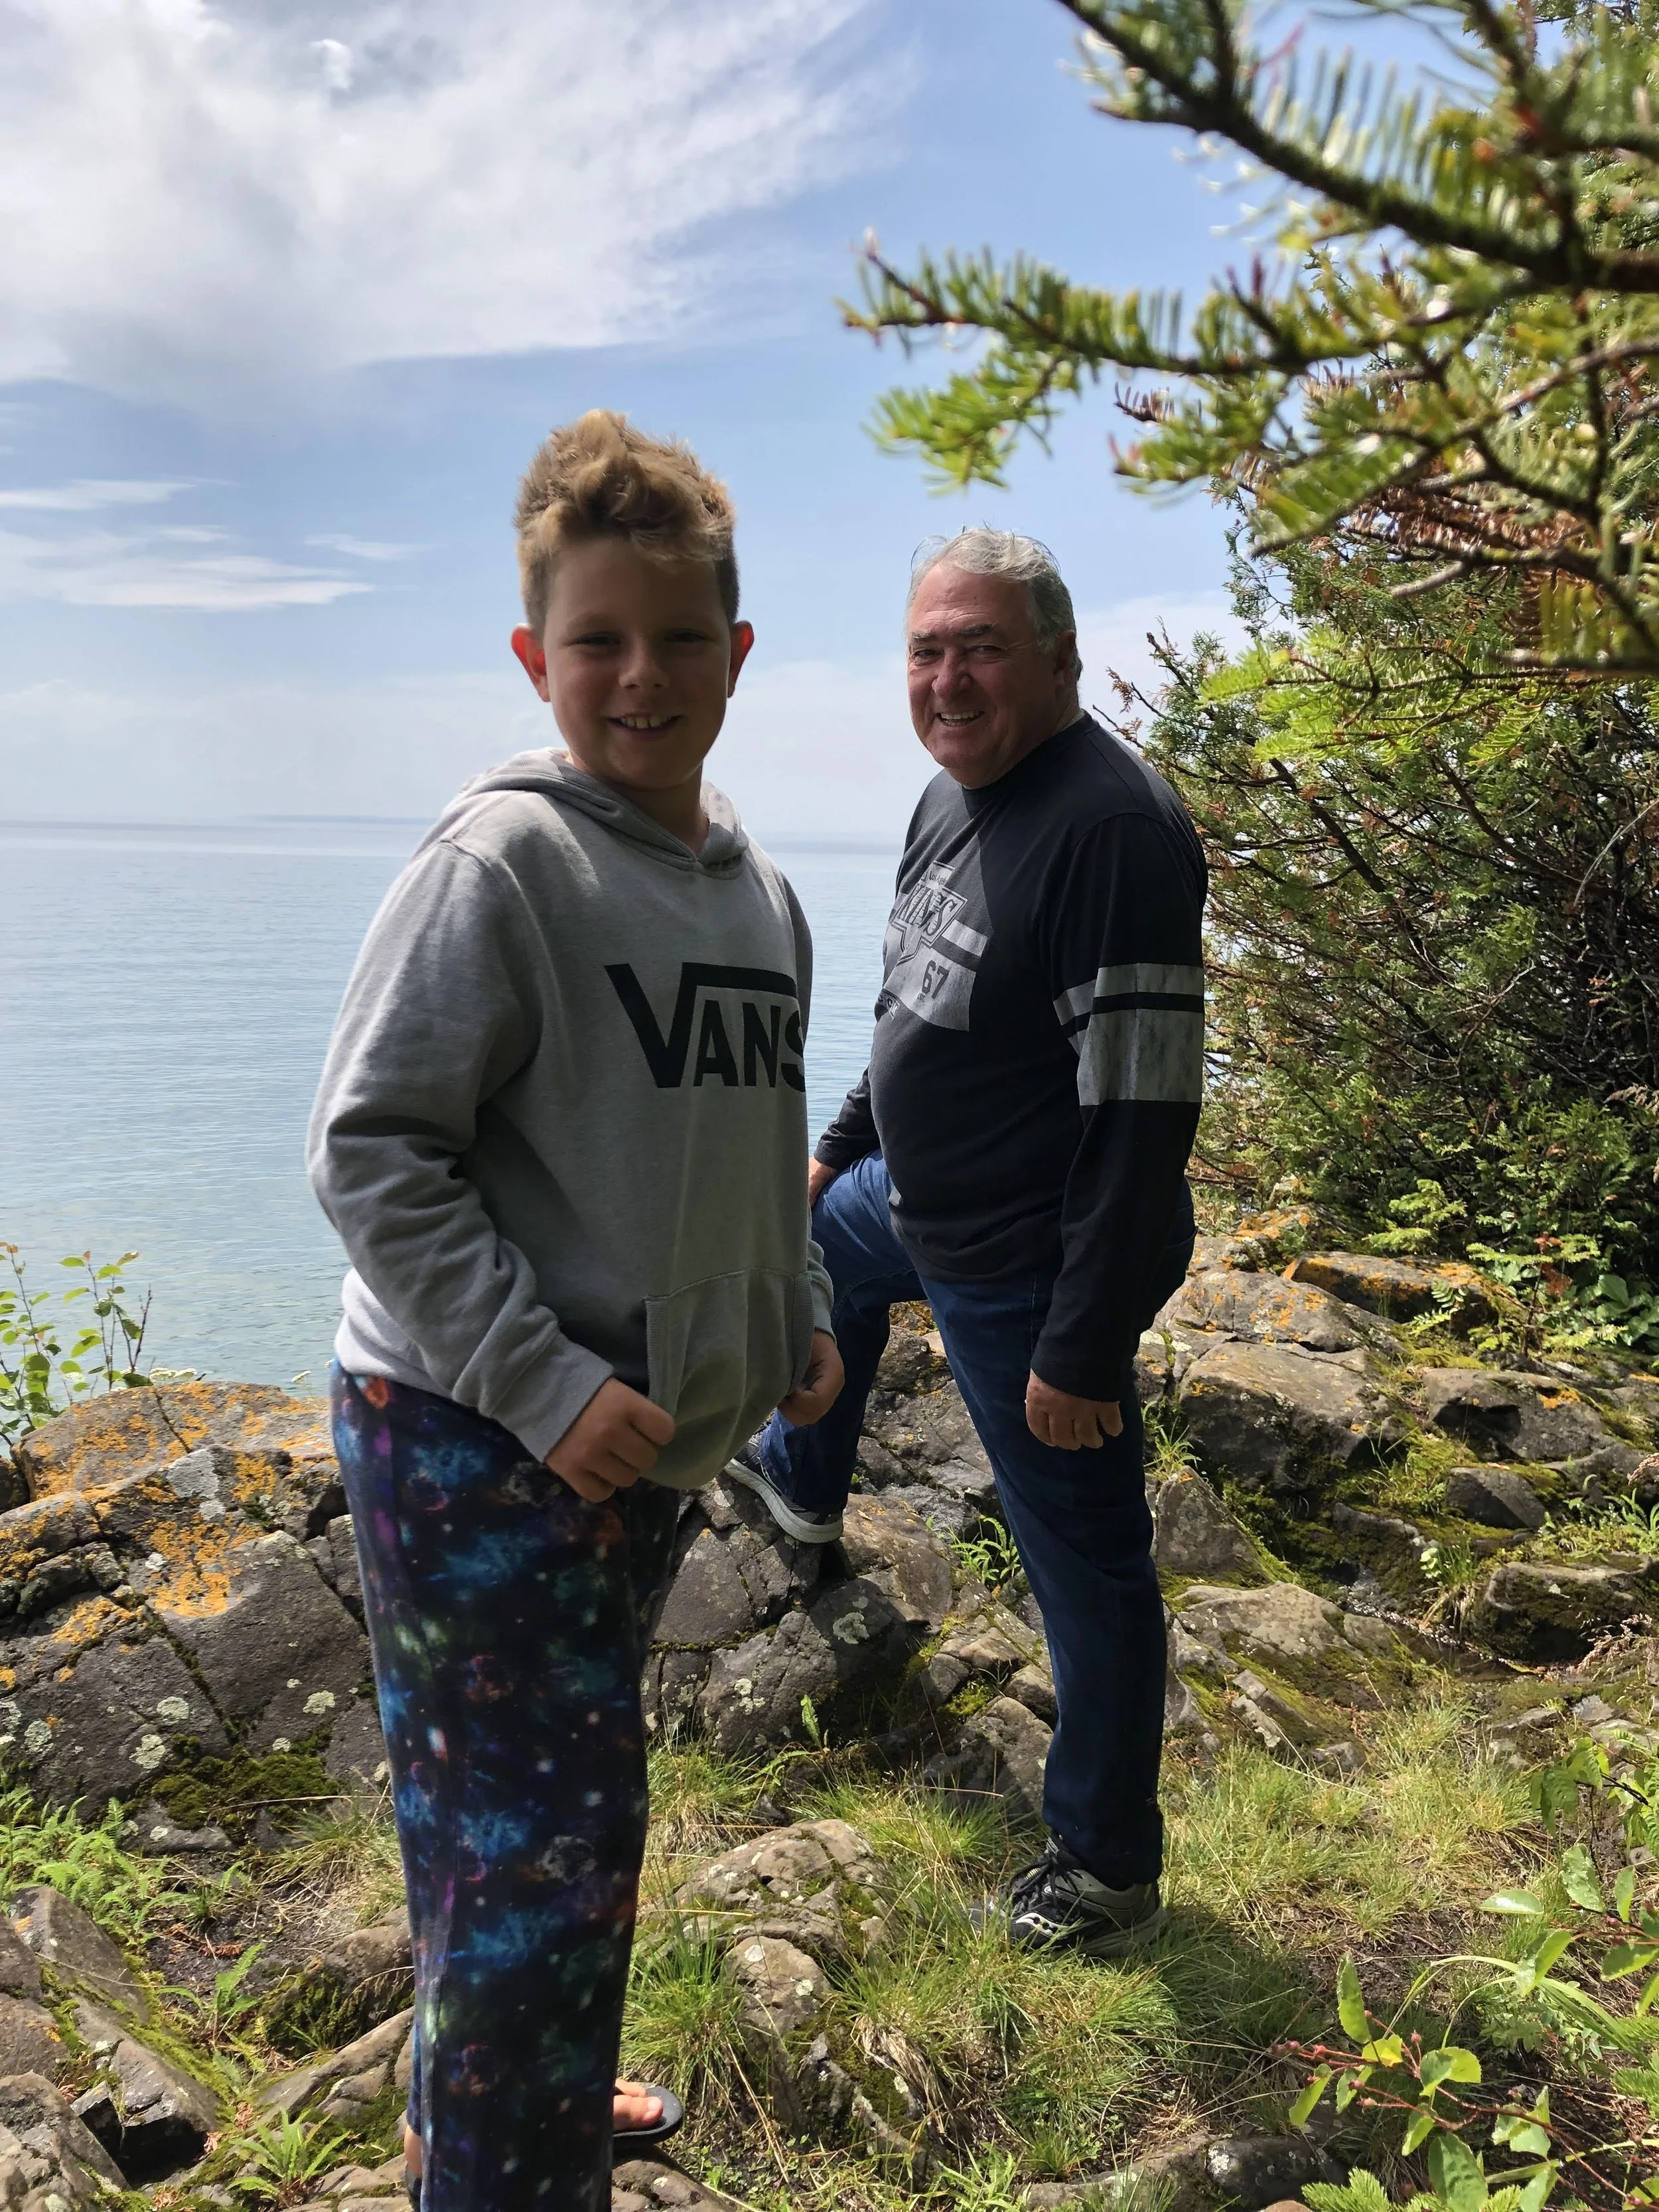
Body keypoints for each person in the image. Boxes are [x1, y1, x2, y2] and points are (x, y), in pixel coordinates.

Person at [307, 410, 844, 2212]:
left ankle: (474, 2099)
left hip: (638, 1445)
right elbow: (368, 1151)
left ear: (737, 655)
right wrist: (539, 1385)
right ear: (534, 655)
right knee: (550, 1841)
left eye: (678, 636)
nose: (640, 675)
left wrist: (796, 1310)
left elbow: (751, 1142)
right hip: (475, 1432)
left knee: (510, 1832)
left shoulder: (758, 896)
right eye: (597, 640)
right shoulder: (502, 868)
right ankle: (505, 2165)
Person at [727, 528, 1205, 1959]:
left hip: (1030, 1262)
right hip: (918, 1206)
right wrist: (833, 1151)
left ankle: (1105, 1862)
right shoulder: (956, 794)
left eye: (979, 647)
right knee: (818, 1259)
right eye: (926, 649)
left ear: (1058, 658)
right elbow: (914, 1005)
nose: (945, 678)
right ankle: (802, 1491)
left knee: (1087, 1564)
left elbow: (1140, 1116)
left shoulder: (1110, 831)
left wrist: (1083, 1338)